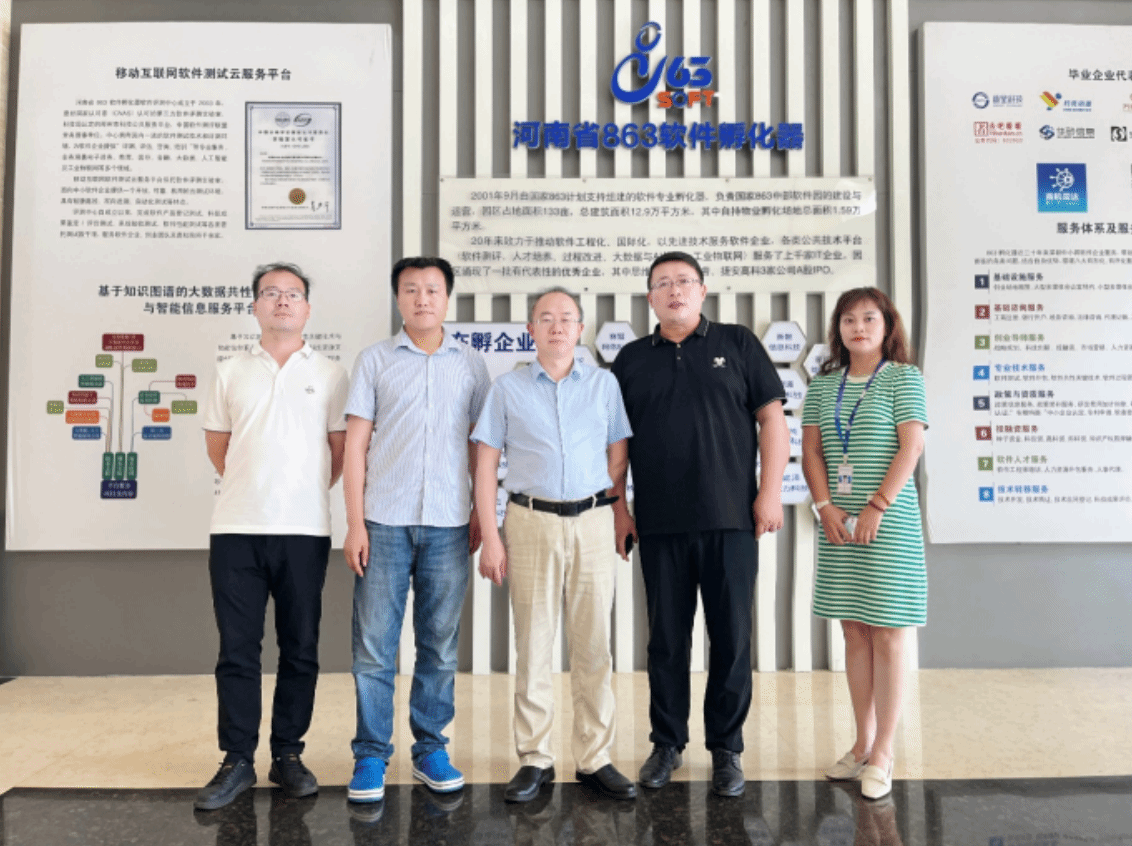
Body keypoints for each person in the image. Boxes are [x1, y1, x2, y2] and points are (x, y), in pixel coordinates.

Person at [610, 251, 790, 797]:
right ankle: (667, 743)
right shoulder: (631, 359)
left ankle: (726, 749)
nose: (675, 291)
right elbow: (616, 444)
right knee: (666, 640)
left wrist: (770, 493)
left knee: (731, 638)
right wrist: (619, 509)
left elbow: (772, 420)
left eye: (684, 281)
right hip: (659, 524)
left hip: (732, 519)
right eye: (663, 283)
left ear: (703, 290)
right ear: (650, 298)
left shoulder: (738, 343)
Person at [472, 287, 637, 803]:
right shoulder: (507, 388)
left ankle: (594, 757)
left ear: (580, 329)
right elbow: (484, 467)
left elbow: (618, 457)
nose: (557, 326)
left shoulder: (604, 385)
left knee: (594, 645)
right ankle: (535, 757)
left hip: (593, 521)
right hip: (530, 521)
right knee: (534, 643)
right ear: (531, 330)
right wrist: (491, 536)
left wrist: (614, 510)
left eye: (567, 318)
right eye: (546, 318)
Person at [196, 262, 349, 810]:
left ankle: (287, 753)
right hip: (236, 528)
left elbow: (338, 454)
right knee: (237, 650)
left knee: (300, 647)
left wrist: (295, 493)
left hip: (305, 531)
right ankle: (236, 759)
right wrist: (256, 486)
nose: (282, 301)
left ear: (307, 308)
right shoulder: (229, 370)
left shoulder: (331, 373)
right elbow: (219, 447)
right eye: (271, 293)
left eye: (293, 294)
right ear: (255, 306)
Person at [343, 256, 491, 804]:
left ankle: (431, 747)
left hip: (449, 524)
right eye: (411, 290)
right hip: (382, 521)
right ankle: (370, 755)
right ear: (398, 298)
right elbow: (355, 447)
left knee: (439, 646)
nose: (422, 298)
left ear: (447, 298)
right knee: (373, 649)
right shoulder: (374, 360)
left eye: (432, 289)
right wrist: (354, 523)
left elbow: (481, 447)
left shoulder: (471, 365)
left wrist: (481, 514)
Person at [800, 287, 927, 801]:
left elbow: (911, 446)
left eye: (869, 318)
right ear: (838, 329)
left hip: (887, 522)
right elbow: (811, 452)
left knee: (888, 633)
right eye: (849, 319)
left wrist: (876, 506)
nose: (858, 327)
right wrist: (825, 506)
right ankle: (862, 744)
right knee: (853, 631)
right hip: (838, 524)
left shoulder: (903, 378)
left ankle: (885, 753)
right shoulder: (823, 384)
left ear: (887, 325)